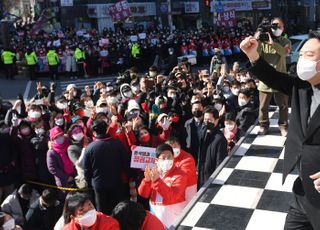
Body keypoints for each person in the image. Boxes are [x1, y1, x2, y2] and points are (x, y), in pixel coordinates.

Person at [240, 30, 320, 230]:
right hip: (303, 193)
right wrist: (253, 55)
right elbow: (274, 78)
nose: (302, 60)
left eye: (308, 55)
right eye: (300, 55)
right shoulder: (303, 87)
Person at [83, 120, 130, 215]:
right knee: (118, 210)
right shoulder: (118, 144)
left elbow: (87, 170)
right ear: (106, 129)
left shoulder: (90, 148)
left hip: (99, 185)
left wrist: (89, 184)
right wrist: (131, 176)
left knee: (102, 212)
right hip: (116, 182)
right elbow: (126, 163)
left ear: (94, 132)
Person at [255, 17, 291, 136]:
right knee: (263, 106)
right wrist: (257, 35)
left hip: (281, 77)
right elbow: (255, 52)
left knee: (283, 105)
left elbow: (284, 53)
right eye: (274, 26)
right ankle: (263, 125)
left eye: (278, 26)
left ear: (283, 28)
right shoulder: (263, 41)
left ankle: (283, 125)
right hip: (266, 78)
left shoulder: (285, 41)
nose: (276, 28)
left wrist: (273, 44)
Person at [138, 144, 187, 228]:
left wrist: (157, 181)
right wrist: (146, 181)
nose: (167, 160)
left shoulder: (180, 175)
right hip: (156, 214)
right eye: (163, 158)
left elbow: (173, 197)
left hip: (173, 219)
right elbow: (144, 194)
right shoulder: (154, 172)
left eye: (169, 157)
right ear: (156, 160)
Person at [197, 107, 228, 188]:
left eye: (209, 120)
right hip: (201, 175)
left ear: (216, 120)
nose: (206, 122)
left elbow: (220, 162)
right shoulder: (203, 132)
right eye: (205, 120)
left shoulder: (220, 139)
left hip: (211, 178)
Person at [166, 137, 197, 203]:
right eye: (170, 148)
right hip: (173, 191)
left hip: (187, 191)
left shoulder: (187, 158)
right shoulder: (167, 158)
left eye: (175, 147)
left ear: (179, 146)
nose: (173, 149)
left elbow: (184, 175)